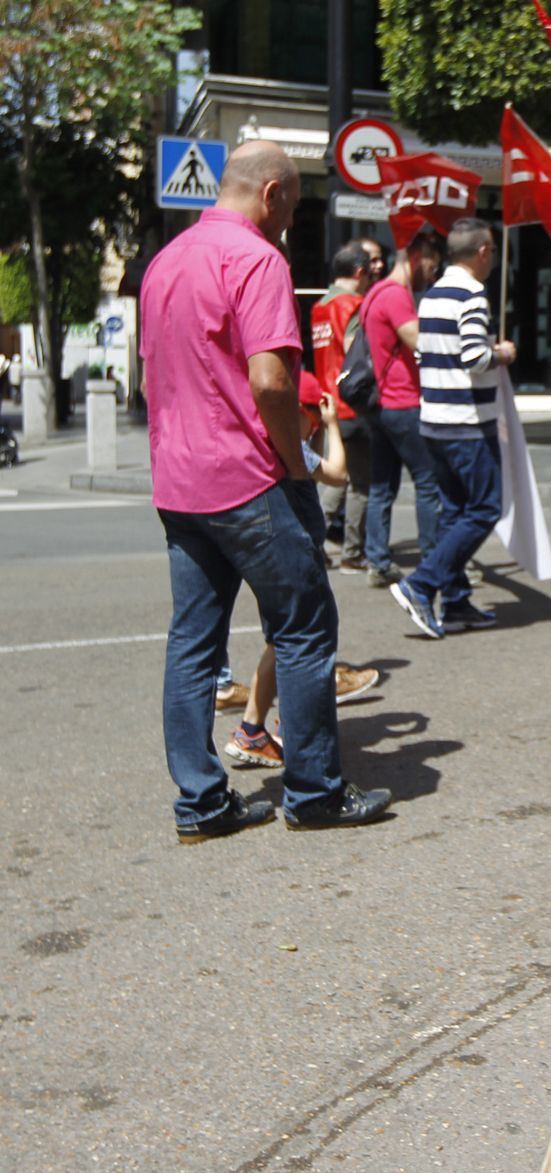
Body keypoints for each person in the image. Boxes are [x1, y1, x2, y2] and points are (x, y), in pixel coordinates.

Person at [139, 140, 390, 838]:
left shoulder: (164, 262)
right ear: (274, 192)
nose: (291, 220)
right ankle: (313, 793)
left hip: (179, 481)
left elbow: (148, 379)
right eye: (294, 205)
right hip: (248, 478)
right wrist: (295, 461)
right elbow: (272, 380)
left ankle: (202, 802)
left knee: (193, 641)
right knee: (305, 627)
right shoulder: (256, 258)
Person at [225, 373, 380, 768]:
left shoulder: (259, 442)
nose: (314, 422)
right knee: (304, 641)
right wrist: (332, 426)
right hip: (293, 559)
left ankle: (251, 731)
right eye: (312, 414)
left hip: (267, 554)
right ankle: (294, 735)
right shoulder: (289, 447)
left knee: (278, 643)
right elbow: (339, 473)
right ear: (300, 411)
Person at [390, 219, 516, 639]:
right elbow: (474, 357)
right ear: (482, 251)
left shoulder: (431, 295)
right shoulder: (473, 294)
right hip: (466, 423)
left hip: (435, 420)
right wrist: (503, 353)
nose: (494, 258)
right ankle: (422, 584)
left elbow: (428, 355)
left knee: (455, 511)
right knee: (485, 508)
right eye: (493, 251)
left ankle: (457, 601)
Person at [362, 231, 445, 588]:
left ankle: (378, 561)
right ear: (415, 256)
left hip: (380, 404)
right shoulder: (395, 295)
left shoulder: (375, 292)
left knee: (382, 486)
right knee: (428, 482)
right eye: (431, 263)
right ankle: (433, 561)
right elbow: (419, 341)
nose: (433, 271)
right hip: (401, 401)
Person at [310, 239, 374, 574]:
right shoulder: (354, 305)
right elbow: (357, 353)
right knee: (361, 483)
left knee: (335, 477)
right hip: (353, 404)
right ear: (360, 272)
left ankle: (313, 542)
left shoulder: (320, 305)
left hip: (327, 403)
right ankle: (353, 552)